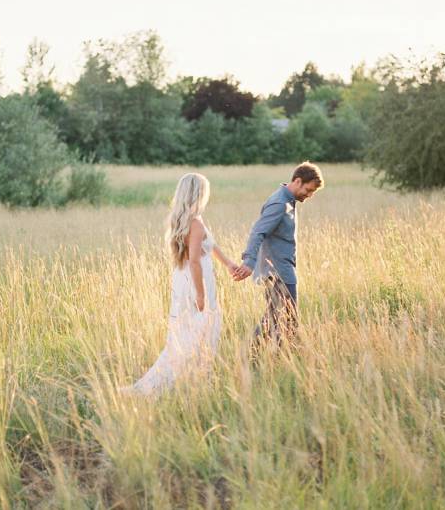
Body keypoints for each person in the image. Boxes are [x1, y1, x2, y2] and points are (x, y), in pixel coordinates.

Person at [123, 173, 238, 395]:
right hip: (194, 283)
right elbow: (194, 261)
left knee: (189, 333)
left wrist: (229, 264)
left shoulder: (189, 219)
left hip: (184, 280)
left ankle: (194, 381)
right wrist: (201, 294)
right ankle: (186, 383)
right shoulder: (195, 222)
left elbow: (209, 245)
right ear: (199, 193)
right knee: (198, 333)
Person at [233, 162, 323, 350]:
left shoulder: (288, 201)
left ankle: (274, 360)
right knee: (281, 320)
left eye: (313, 192)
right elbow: (258, 232)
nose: (309, 195)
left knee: (281, 320)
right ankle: (250, 357)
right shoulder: (279, 203)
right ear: (297, 181)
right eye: (308, 190)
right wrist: (248, 262)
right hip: (277, 273)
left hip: (284, 271)